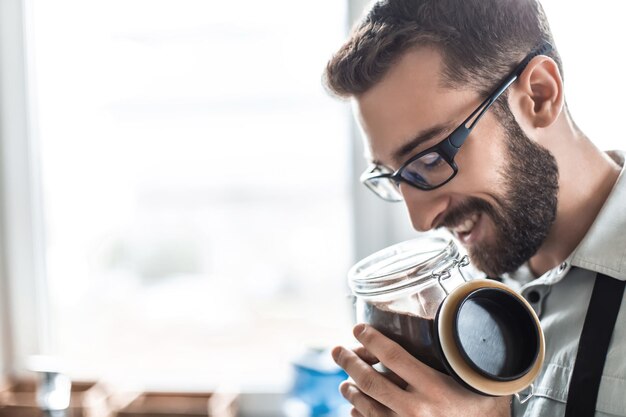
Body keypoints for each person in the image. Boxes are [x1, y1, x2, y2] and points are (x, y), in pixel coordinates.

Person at [323, 0, 626, 416]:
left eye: (429, 161)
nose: (421, 220)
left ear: (539, 96)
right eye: (393, 177)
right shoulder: (460, 308)